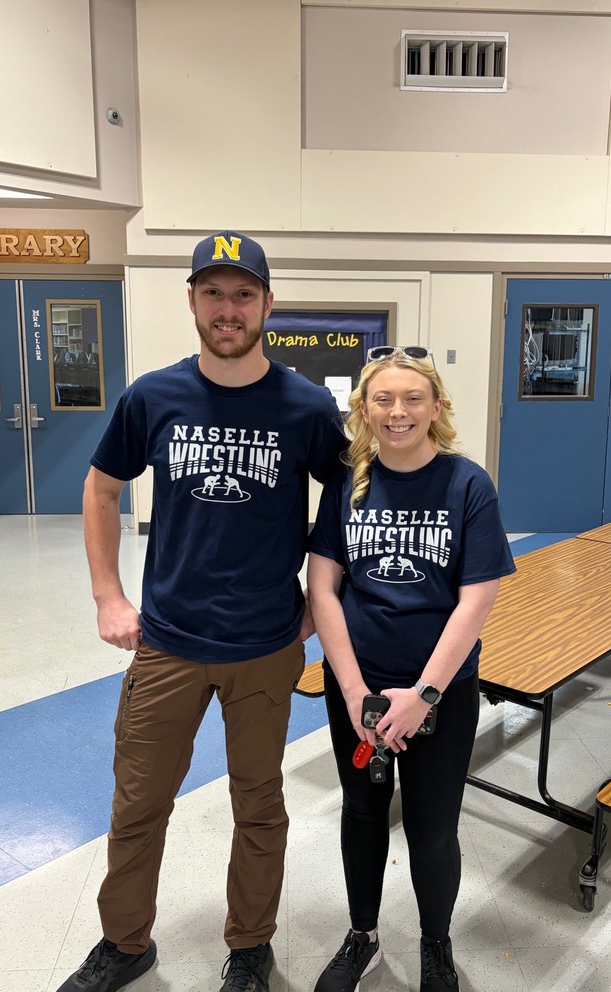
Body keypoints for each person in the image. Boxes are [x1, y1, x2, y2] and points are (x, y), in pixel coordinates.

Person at [58, 231, 345, 992]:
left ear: (267, 305)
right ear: (191, 300)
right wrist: (108, 595)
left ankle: (250, 947)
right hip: (170, 642)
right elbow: (101, 489)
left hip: (265, 644)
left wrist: (324, 596)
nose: (228, 309)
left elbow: (348, 503)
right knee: (138, 802)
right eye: (213, 293)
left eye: (243, 294)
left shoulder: (307, 406)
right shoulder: (154, 395)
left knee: (259, 805)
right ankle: (125, 944)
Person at [307, 347, 515, 992]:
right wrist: (351, 692)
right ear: (363, 409)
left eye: (412, 399)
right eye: (383, 400)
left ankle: (435, 944)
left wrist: (424, 694)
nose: (398, 412)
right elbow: (323, 589)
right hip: (360, 690)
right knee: (363, 815)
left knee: (431, 828)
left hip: (439, 694)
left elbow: (476, 597)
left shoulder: (467, 483)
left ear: (436, 407)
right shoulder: (347, 480)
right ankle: (361, 936)